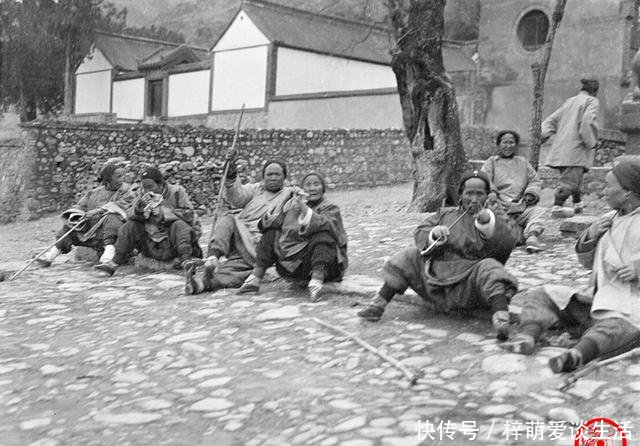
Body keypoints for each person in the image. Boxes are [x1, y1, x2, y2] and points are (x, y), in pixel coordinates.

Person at [502, 156, 640, 373]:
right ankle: (527, 336)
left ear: (627, 192)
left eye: (608, 186)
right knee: (543, 295)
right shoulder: (608, 218)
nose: (603, 191)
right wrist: (590, 236)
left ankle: (578, 354)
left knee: (617, 328)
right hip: (596, 301)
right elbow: (587, 263)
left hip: (629, 308)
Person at [357, 170, 521, 340]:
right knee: (409, 256)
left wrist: (486, 222)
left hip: (469, 288)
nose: (473, 199)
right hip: (435, 285)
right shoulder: (445, 214)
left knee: (490, 268)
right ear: (460, 195)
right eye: (468, 193)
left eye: (479, 194)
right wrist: (434, 234)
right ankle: (377, 305)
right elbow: (420, 231)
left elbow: (509, 239)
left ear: (487, 196)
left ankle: (501, 321)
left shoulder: (495, 216)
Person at [185, 159, 295, 294]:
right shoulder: (255, 190)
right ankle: (213, 257)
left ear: (284, 177)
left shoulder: (290, 194)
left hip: (261, 242)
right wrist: (231, 174)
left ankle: (203, 284)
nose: (273, 178)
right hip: (240, 235)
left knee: (238, 269)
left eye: (277, 174)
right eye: (269, 174)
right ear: (263, 177)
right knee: (228, 219)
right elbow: (237, 197)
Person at [237, 172, 348, 301]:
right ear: (302, 189)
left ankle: (316, 283)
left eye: (316, 184)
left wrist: (303, 207)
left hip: (327, 268)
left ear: (323, 188)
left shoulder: (331, 208)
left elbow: (323, 224)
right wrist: (284, 203)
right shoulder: (293, 206)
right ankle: (254, 279)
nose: (312, 188)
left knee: (323, 234)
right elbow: (267, 224)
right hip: (296, 268)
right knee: (271, 233)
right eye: (308, 185)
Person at [95, 165, 202, 275]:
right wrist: (139, 209)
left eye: (150, 186)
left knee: (179, 225)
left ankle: (186, 260)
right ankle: (114, 263)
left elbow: (190, 215)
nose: (147, 190)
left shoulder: (177, 192)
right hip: (152, 244)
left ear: (161, 184)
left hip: (173, 243)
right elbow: (128, 214)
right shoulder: (142, 195)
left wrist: (164, 213)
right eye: (144, 187)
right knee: (129, 226)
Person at [36, 162, 134, 267]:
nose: (122, 179)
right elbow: (80, 207)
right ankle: (51, 256)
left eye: (122, 176)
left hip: (112, 235)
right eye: (118, 176)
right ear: (108, 179)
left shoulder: (126, 192)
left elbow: (123, 206)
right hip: (92, 232)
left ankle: (108, 259)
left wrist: (97, 211)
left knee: (112, 218)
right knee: (70, 227)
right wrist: (77, 215)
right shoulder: (93, 193)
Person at [542, 78, 600, 218]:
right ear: (595, 91)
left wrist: (543, 134)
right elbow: (587, 123)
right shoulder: (592, 101)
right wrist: (591, 142)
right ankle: (557, 205)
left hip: (561, 148)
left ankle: (577, 203)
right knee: (570, 182)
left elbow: (552, 120)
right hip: (576, 149)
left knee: (576, 178)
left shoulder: (570, 101)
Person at [482, 130, 545, 253]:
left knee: (538, 212)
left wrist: (530, 193)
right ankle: (513, 236)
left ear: (516, 145)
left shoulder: (522, 162)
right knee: (490, 218)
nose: (508, 146)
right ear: (499, 145)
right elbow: (484, 179)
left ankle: (532, 237)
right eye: (505, 142)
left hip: (521, 206)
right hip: (499, 206)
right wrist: (492, 191)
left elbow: (535, 180)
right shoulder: (491, 162)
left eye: (511, 142)